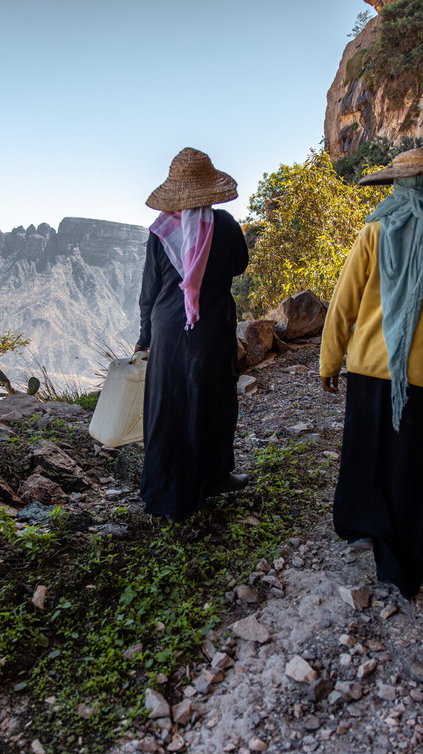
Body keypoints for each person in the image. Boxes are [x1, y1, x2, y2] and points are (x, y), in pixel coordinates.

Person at [319, 148, 423, 599]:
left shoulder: (373, 232)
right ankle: (399, 568)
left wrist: (330, 360)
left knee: (365, 451)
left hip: (370, 368)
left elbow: (343, 303)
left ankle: (360, 528)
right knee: (411, 472)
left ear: (397, 187)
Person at [135, 147, 250, 517]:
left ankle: (166, 493)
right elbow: (239, 266)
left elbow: (149, 291)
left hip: (168, 333)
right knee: (213, 402)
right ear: (210, 190)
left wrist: (144, 337)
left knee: (169, 407)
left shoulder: (162, 232)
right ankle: (214, 478)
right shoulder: (227, 225)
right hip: (211, 331)